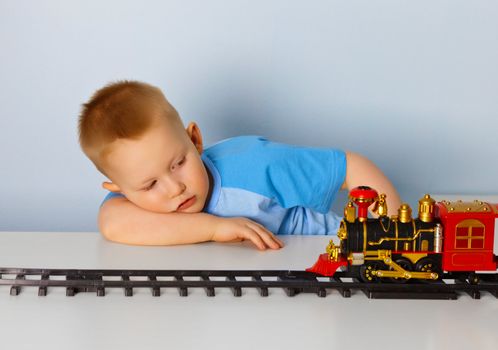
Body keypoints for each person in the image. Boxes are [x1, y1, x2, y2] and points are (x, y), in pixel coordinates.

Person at [78, 81, 401, 250]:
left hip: (325, 253)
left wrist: (396, 238)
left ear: (195, 140)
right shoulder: (131, 203)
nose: (175, 188)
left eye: (178, 163)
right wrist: (216, 228)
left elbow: (348, 167)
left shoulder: (255, 165)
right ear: (119, 188)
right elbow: (111, 223)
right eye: (150, 185)